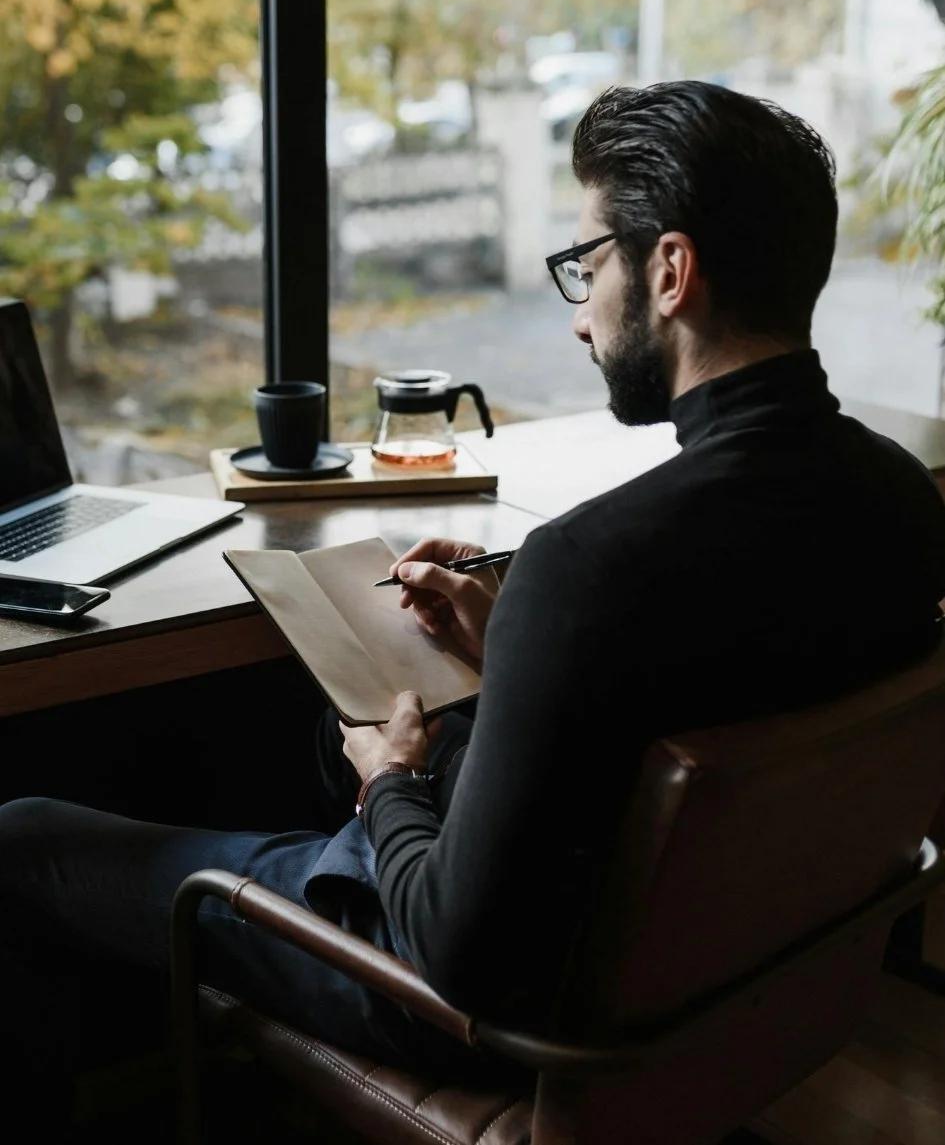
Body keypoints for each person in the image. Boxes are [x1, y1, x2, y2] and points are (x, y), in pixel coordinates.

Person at [2, 81, 945, 1133]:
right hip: (731, 979)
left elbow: (459, 956)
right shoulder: (905, 504)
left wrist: (391, 781)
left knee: (25, 831)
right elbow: (731, 668)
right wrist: (520, 656)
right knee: (327, 730)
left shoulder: (587, 566)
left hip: (508, 1015)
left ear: (670, 272)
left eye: (586, 269)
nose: (582, 316)